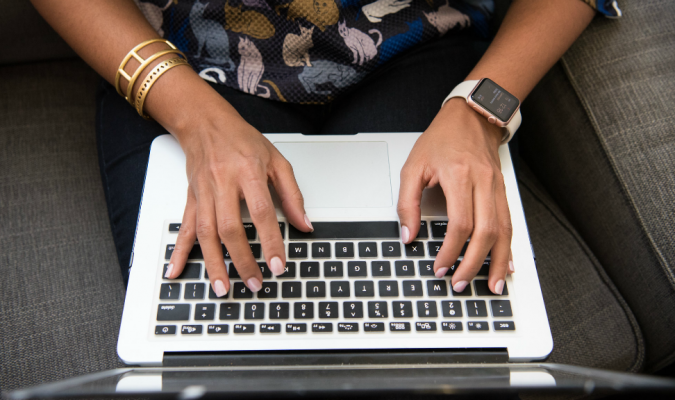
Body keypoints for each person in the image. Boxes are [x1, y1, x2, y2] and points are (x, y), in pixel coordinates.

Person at [31, 0, 618, 297]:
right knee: (218, 332)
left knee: (437, 323)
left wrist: (480, 109)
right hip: (186, 59)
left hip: (419, 45)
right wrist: (196, 119)